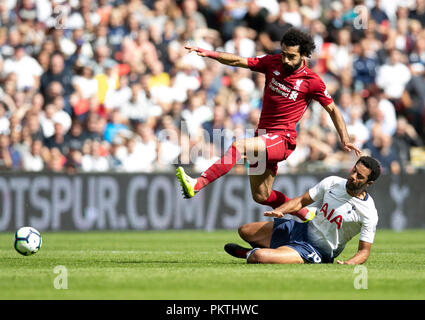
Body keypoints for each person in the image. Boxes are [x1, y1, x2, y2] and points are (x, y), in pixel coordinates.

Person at [176, 28, 361, 222]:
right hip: (262, 137)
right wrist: (209, 54)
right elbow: (239, 61)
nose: (286, 60)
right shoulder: (272, 62)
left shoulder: (312, 82)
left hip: (282, 140)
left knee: (239, 146)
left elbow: (333, 110)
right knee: (261, 195)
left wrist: (344, 139)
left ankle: (196, 184)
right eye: (284, 54)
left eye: (291, 56)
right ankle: (306, 213)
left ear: (304, 56)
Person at [224, 156, 381, 265]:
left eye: (359, 176)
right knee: (245, 230)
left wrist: (349, 263)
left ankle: (251, 254)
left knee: (258, 256)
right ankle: (278, 252)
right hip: (300, 229)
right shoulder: (333, 182)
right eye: (354, 170)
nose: (353, 176)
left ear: (370, 183)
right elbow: (301, 201)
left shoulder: (368, 212)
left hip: (316, 250)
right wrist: (281, 210)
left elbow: (364, 252)